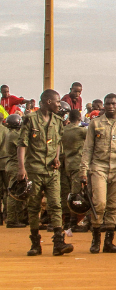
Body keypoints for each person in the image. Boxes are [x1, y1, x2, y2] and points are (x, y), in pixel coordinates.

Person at [79, 94, 116, 254]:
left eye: (113, 103)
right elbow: (88, 148)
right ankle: (95, 239)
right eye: (108, 104)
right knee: (99, 204)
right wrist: (83, 170)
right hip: (98, 167)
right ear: (103, 106)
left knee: (113, 206)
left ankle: (109, 242)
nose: (111, 106)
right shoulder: (95, 123)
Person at [17, 90, 71, 256]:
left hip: (52, 171)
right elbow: (22, 144)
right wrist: (21, 168)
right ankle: (35, 243)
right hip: (34, 170)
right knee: (33, 207)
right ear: (48, 101)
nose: (58, 105)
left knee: (55, 205)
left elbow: (58, 142)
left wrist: (56, 158)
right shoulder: (30, 119)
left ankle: (59, 242)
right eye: (56, 102)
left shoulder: (57, 120)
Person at [60, 109, 87, 233]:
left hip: (67, 164)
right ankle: (72, 222)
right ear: (80, 118)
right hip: (78, 164)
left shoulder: (63, 130)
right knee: (75, 193)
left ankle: (67, 220)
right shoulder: (80, 131)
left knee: (67, 192)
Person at [1, 114, 25, 228]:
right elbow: (23, 146)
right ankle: (11, 220)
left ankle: (17, 218)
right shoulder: (14, 135)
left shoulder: (10, 133)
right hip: (15, 165)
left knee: (17, 191)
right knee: (13, 192)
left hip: (12, 164)